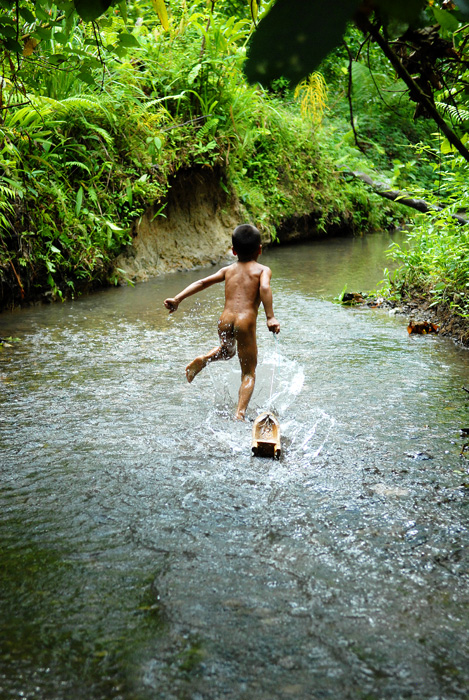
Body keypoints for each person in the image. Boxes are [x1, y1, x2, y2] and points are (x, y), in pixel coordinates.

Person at [164, 224, 280, 420]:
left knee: (227, 351)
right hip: (245, 322)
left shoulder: (228, 270)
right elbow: (265, 289)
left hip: (225, 320)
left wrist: (177, 299)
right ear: (259, 249)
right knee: (249, 373)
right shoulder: (262, 270)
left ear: (233, 251)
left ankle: (203, 360)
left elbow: (201, 283)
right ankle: (240, 414)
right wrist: (270, 317)